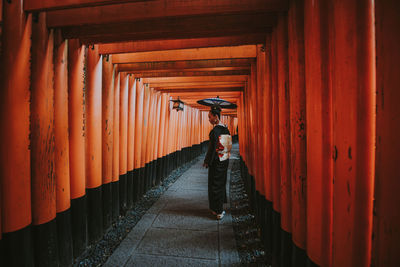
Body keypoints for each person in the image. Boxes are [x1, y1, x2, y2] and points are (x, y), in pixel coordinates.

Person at [203, 105, 232, 220]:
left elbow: (212, 148)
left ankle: (218, 210)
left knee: (214, 185)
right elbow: (227, 147)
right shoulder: (226, 129)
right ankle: (217, 208)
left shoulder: (215, 131)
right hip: (223, 160)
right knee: (220, 184)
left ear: (216, 117)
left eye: (210, 117)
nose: (209, 119)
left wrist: (207, 161)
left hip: (215, 162)